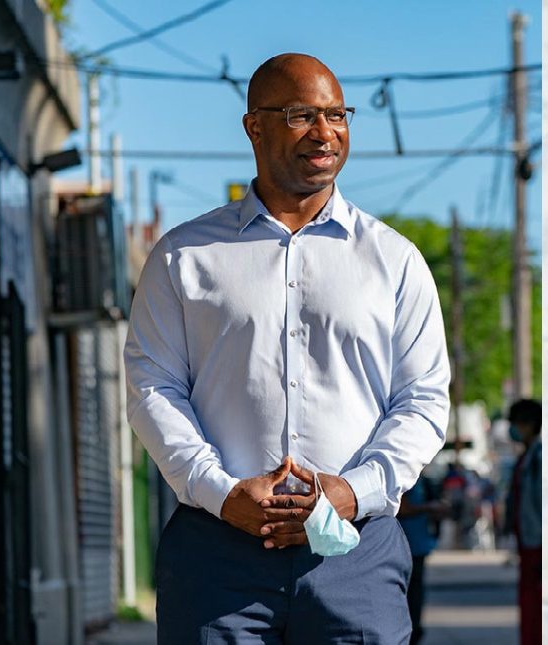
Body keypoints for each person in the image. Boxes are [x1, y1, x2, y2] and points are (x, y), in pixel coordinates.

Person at [124, 53, 450, 644]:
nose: (325, 133)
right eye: (302, 115)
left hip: (356, 556)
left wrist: (353, 491)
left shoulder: (395, 261)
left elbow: (423, 399)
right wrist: (222, 494)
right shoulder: (182, 257)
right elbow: (152, 388)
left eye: (337, 115)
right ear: (254, 126)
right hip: (217, 557)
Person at [506, 399, 542, 645]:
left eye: (517, 423)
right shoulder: (528, 456)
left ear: (529, 425)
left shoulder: (538, 457)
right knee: (529, 606)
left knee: (535, 607)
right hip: (527, 542)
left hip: (537, 544)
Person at [398, 474, 448, 645]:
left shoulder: (423, 480)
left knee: (415, 595)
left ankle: (414, 632)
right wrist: (428, 508)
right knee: (407, 596)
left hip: (419, 546)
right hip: (404, 546)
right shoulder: (404, 476)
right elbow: (402, 508)